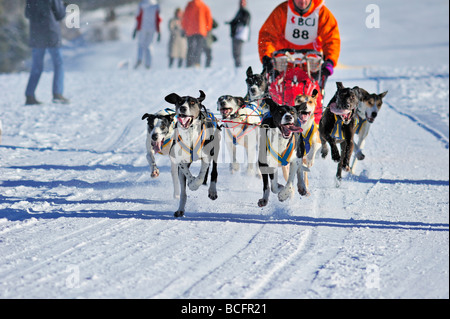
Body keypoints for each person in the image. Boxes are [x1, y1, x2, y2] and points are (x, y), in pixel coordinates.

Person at [258, 0, 340, 81]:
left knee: (313, 92)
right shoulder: (282, 11)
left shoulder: (322, 13)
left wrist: (330, 60)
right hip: (284, 65)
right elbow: (268, 36)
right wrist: (266, 56)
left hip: (311, 66)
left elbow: (331, 39)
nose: (303, 1)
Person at [24, 0, 69, 105]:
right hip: (51, 32)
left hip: (36, 33)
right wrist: (64, 6)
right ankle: (57, 93)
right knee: (58, 64)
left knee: (36, 66)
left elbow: (27, 14)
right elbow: (59, 14)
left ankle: (29, 95)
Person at [181, 0, 213, 68]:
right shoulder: (204, 6)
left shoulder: (189, 5)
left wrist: (184, 28)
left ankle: (189, 64)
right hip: (201, 30)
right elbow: (208, 19)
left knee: (190, 47)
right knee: (198, 48)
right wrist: (207, 29)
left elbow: (184, 18)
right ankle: (197, 63)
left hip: (190, 30)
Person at [133, 0, 162, 69]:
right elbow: (158, 19)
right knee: (149, 46)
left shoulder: (141, 4)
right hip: (152, 28)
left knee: (141, 44)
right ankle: (148, 64)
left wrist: (135, 29)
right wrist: (159, 31)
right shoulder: (156, 6)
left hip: (142, 28)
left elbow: (138, 17)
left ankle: (139, 59)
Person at [227, 0, 251, 68]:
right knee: (235, 52)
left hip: (240, 35)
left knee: (237, 52)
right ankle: (237, 65)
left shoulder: (245, 13)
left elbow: (244, 22)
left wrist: (235, 22)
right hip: (236, 35)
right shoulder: (240, 12)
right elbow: (236, 20)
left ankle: (238, 66)